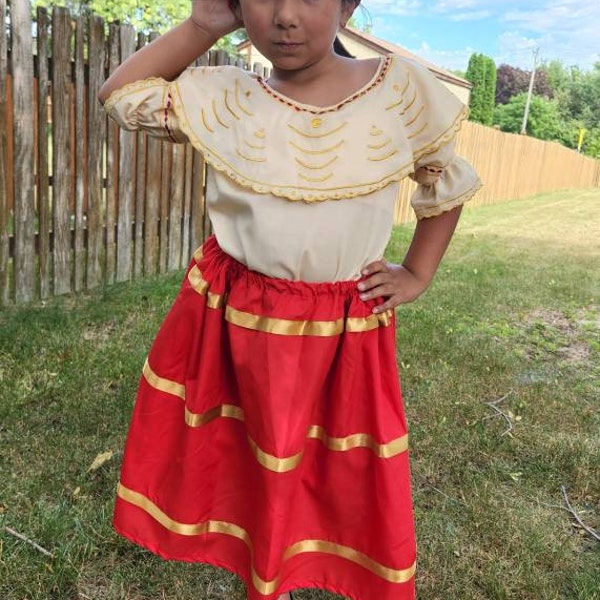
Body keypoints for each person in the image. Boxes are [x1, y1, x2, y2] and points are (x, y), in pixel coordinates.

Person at [99, 1, 481, 599]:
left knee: (324, 463)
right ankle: (255, 560)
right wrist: (202, 27)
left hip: (339, 330)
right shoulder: (225, 97)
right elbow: (122, 96)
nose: (284, 16)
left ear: (350, 4)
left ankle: (299, 562)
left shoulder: (398, 92)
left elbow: (445, 179)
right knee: (246, 455)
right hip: (232, 321)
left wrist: (416, 272)